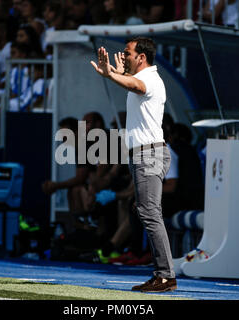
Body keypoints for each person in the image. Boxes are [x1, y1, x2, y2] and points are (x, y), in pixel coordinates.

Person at [90, 37, 176, 292]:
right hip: (143, 155)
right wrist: (116, 73)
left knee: (150, 213)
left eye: (127, 53)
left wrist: (110, 75)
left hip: (149, 155)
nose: (123, 56)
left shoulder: (150, 79)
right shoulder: (144, 78)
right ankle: (163, 274)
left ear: (141, 57)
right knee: (147, 212)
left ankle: (165, 276)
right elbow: (132, 84)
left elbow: (137, 86)